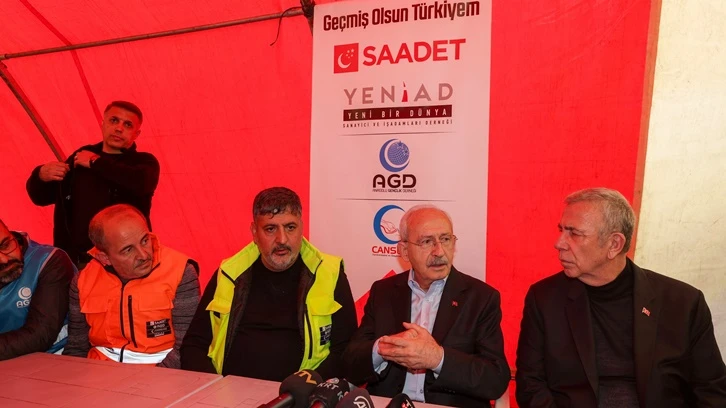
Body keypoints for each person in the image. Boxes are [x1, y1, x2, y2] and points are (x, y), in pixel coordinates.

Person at [516, 187, 726, 408]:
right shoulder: (545, 299)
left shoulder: (682, 303)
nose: (559, 243)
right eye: (561, 230)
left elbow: (712, 390)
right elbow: (531, 385)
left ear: (614, 244)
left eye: (574, 233)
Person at [181, 187, 357, 381]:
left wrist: (310, 383)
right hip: (229, 391)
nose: (282, 239)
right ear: (254, 232)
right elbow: (194, 345)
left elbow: (346, 350)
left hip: (303, 393)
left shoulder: (329, 273)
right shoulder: (229, 273)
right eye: (270, 229)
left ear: (302, 227)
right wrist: (214, 386)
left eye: (290, 227)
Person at [344, 205, 510, 407]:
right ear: (405, 251)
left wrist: (438, 359)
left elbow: (495, 379)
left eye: (445, 239)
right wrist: (383, 348)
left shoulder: (481, 298)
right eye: (426, 241)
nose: (439, 252)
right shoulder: (383, 292)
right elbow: (350, 364)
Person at [26, 100, 160, 267]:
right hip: (76, 261)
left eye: (127, 125)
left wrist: (95, 162)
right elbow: (40, 197)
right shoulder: (81, 156)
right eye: (114, 120)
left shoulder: (143, 162)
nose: (119, 128)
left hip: (124, 263)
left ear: (136, 134)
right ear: (103, 124)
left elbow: (141, 183)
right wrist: (40, 175)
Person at [63, 204, 199, 368]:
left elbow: (186, 347)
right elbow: (76, 347)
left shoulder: (180, 271)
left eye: (145, 240)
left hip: (162, 371)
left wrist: (151, 378)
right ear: (104, 258)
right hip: (100, 372)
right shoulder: (83, 281)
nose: (143, 255)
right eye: (128, 250)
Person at [0, 218, 76, 360]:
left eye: (5, 245)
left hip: (54, 357)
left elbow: (40, 336)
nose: (4, 259)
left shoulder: (48, 261)